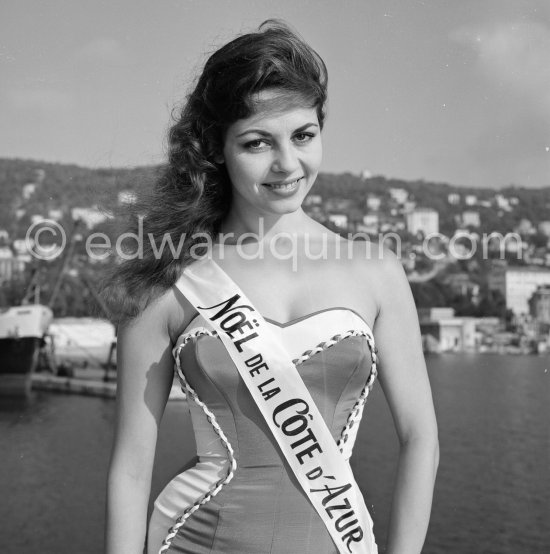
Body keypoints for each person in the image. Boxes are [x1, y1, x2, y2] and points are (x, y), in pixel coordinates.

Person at [103, 20, 439, 554]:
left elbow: (421, 440)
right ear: (216, 148)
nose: (287, 164)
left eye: (303, 136)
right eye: (258, 142)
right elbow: (129, 471)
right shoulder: (169, 281)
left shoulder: (376, 271)